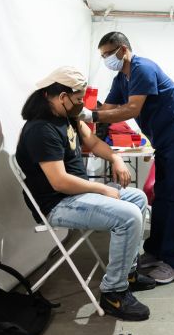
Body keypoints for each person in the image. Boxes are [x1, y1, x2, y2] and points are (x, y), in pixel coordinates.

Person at [15, 66, 155, 321]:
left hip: (76, 196)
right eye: (78, 99)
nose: (82, 105)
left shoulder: (68, 118)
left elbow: (92, 142)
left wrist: (115, 158)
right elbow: (59, 182)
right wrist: (102, 188)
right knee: (129, 217)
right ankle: (114, 292)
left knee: (138, 198)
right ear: (61, 97)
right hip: (58, 203)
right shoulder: (40, 129)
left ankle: (128, 273)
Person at [90, 32, 174, 284]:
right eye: (103, 56)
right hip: (163, 137)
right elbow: (107, 108)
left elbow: (131, 109)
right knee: (161, 194)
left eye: (108, 54)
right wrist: (85, 110)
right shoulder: (122, 78)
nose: (106, 59)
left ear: (123, 50)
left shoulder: (143, 68)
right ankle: (156, 251)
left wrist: (92, 118)